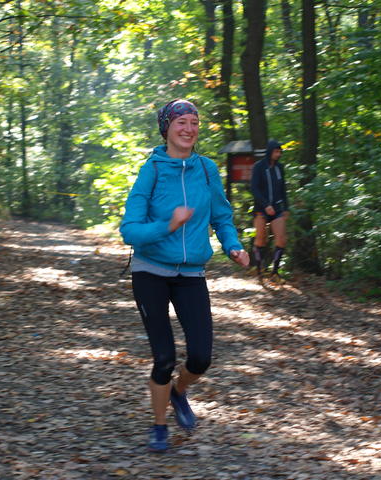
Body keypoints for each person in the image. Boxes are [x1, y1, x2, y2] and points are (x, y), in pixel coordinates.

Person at [120, 99, 249, 453]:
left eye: (194, 122)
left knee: (201, 358)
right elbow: (129, 230)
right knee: (163, 358)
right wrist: (168, 225)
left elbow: (222, 217)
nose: (189, 129)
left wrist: (233, 246)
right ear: (167, 128)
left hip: (191, 273)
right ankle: (159, 425)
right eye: (181, 122)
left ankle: (179, 392)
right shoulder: (152, 170)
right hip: (150, 271)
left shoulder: (206, 169)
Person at [250, 139, 289, 280]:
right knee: (261, 239)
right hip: (261, 209)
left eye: (280, 152)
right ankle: (259, 270)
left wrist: (286, 207)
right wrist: (266, 205)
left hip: (277, 209)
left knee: (281, 240)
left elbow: (283, 188)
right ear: (270, 152)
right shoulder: (259, 167)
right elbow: (254, 188)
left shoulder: (280, 168)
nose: (278, 154)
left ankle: (275, 272)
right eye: (276, 151)